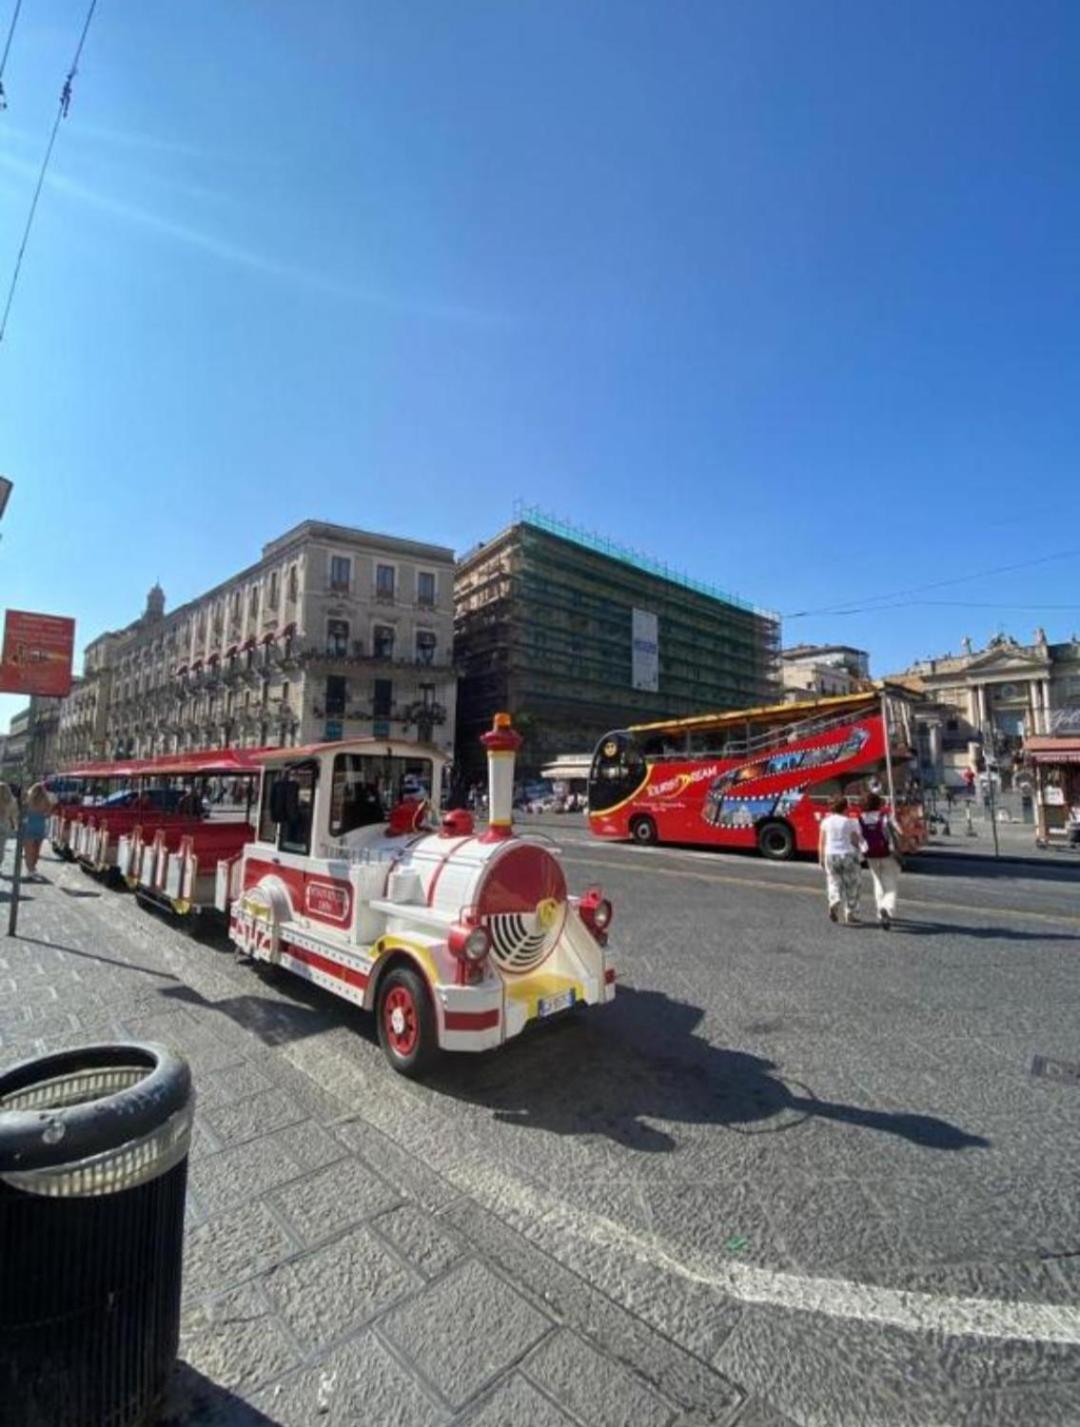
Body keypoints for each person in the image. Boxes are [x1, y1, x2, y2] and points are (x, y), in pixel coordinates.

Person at [858, 792, 902, 929]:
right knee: (890, 885)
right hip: (887, 854)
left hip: (871, 855)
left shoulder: (860, 819)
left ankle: (879, 911)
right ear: (878, 803)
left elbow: (859, 838)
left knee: (877, 882)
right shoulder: (884, 816)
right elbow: (899, 831)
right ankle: (887, 910)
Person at [818, 795, 863, 924]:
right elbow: (855, 840)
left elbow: (821, 842)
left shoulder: (825, 822)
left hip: (830, 855)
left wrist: (820, 858)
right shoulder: (850, 822)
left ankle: (834, 900)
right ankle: (850, 913)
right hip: (848, 855)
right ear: (845, 807)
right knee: (852, 885)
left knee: (833, 881)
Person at [22, 783, 53, 879]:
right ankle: (33, 868)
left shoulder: (28, 799)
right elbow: (48, 814)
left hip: (29, 826)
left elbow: (23, 812)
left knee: (28, 851)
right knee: (36, 850)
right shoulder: (46, 801)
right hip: (40, 826)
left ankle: (30, 869)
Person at [0, 782, 17, 869]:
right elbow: (14, 814)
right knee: (1, 846)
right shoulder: (11, 800)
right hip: (5, 824)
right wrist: (15, 824)